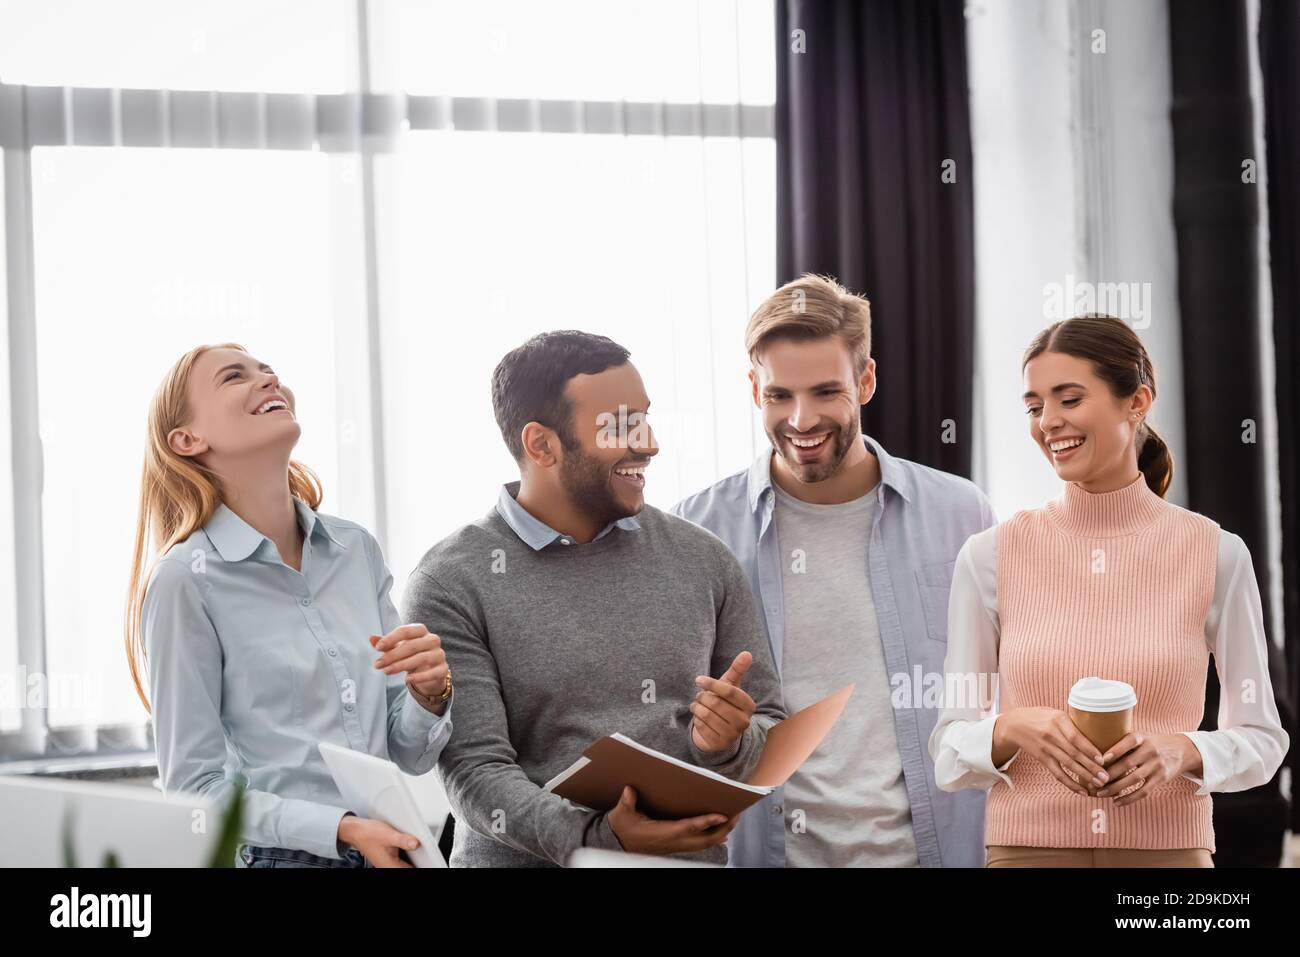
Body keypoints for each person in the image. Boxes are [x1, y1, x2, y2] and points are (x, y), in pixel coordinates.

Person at [403, 330, 786, 867]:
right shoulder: (451, 581)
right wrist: (599, 838)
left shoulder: (703, 558)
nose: (649, 443)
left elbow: (768, 722)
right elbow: (476, 772)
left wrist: (725, 744)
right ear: (541, 445)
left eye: (646, 418)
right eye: (622, 424)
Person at [929, 314, 1289, 867]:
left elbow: (1264, 739)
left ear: (1136, 401)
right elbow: (949, 751)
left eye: (1069, 399)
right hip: (1025, 853)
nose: (1048, 421)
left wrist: (1183, 749)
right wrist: (1015, 726)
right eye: (1034, 406)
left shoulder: (1216, 553)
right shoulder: (990, 555)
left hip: (1169, 860)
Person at [673, 274, 995, 867]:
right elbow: (669, 717)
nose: (801, 420)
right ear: (753, 388)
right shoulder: (696, 530)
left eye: (826, 392)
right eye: (779, 396)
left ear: (865, 380)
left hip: (936, 853)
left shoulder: (961, 513)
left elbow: (1006, 686)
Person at [126, 343, 453, 868]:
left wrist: (430, 694)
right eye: (235, 376)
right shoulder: (184, 581)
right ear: (187, 440)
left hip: (391, 848)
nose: (268, 379)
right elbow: (195, 792)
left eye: (270, 371)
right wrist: (340, 830)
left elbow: (410, 753)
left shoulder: (355, 550)